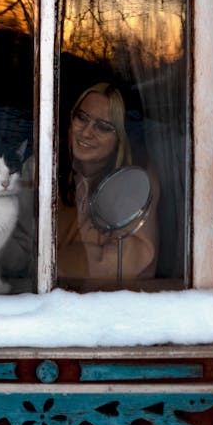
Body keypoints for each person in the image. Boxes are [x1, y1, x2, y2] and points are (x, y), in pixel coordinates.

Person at [57, 82, 158, 288]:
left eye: (103, 127)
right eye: (82, 118)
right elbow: (19, 251)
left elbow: (130, 262)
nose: (86, 132)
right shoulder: (40, 170)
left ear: (120, 139)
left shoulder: (134, 182)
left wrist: (55, 260)